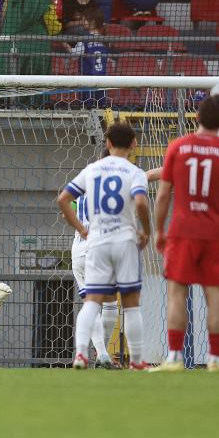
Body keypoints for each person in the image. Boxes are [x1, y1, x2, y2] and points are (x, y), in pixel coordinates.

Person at [152, 95, 219, 372]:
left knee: (176, 292)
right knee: (213, 293)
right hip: (214, 232)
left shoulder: (178, 148)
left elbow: (164, 194)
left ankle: (174, 358)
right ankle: (215, 360)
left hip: (182, 230)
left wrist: (159, 230)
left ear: (196, 118)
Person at [57, 122, 151, 370]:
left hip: (91, 242)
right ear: (133, 144)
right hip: (124, 241)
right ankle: (135, 361)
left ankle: (81, 354)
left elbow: (63, 199)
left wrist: (80, 228)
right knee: (129, 303)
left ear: (108, 144)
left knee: (92, 302)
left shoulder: (91, 171)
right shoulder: (133, 172)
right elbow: (141, 202)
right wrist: (147, 231)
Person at [68, 7, 108, 107]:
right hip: (102, 76)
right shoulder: (104, 39)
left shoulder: (84, 39)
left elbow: (74, 55)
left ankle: (87, 106)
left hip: (87, 75)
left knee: (87, 104)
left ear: (92, 22)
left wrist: (64, 43)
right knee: (101, 102)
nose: (82, 22)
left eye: (84, 19)